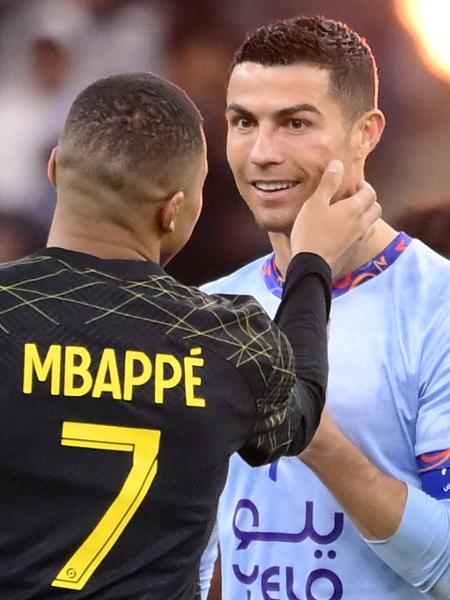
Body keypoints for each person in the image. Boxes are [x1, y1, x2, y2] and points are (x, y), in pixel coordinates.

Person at [0, 72, 378, 599]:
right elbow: (302, 410)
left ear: (55, 168)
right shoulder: (226, 341)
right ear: (174, 208)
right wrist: (312, 265)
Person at [200, 15, 450, 600]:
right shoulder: (209, 307)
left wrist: (314, 436)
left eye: (295, 123)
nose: (261, 153)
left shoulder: (437, 304)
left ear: (366, 132)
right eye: (243, 122)